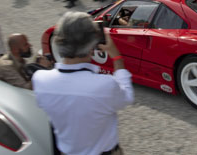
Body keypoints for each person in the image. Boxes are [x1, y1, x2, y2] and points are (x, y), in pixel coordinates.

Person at [32, 12, 134, 155]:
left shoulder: (39, 80)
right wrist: (117, 57)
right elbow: (127, 97)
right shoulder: (105, 85)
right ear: (92, 46)